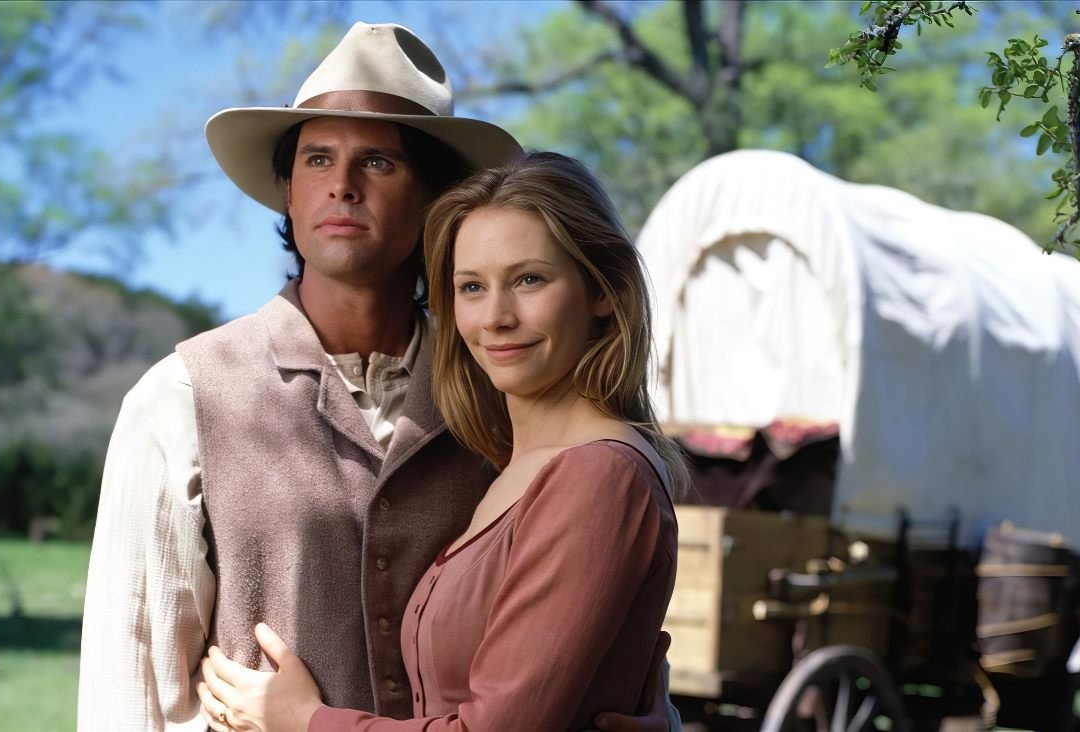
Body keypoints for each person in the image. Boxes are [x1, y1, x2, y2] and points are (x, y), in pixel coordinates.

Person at [78, 23, 674, 731]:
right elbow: (129, 686)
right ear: (288, 194)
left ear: (434, 197)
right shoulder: (182, 397)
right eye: (317, 159)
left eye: (379, 162)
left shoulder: (507, 395)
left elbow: (587, 645)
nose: (342, 185)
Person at [195, 152, 690, 731]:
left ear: (603, 289)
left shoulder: (600, 477)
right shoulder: (508, 468)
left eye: (529, 279)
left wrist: (304, 720)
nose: (496, 317)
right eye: (472, 287)